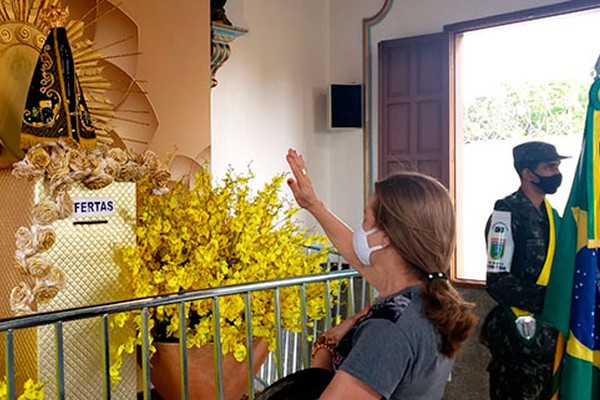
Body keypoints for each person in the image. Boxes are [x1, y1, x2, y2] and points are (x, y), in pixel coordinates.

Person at [262, 149, 478, 400]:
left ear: (386, 237)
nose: (359, 229)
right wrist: (314, 206)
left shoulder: (387, 330)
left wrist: (324, 349)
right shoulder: (423, 297)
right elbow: (357, 256)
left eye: (365, 219)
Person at [480, 141, 568, 400]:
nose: (556, 173)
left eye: (557, 166)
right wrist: (550, 301)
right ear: (528, 173)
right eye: (549, 167)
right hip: (517, 341)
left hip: (549, 342)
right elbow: (497, 281)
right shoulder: (504, 215)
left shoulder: (554, 216)